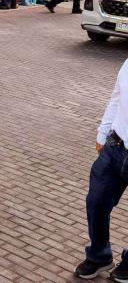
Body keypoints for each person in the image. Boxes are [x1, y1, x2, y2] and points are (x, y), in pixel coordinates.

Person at [74, 59, 128, 281]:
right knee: (96, 202)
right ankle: (99, 255)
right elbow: (117, 98)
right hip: (115, 146)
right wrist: (103, 132)